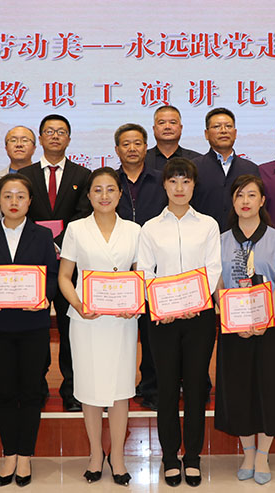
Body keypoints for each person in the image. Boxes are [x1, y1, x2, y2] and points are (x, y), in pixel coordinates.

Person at [137, 158, 221, 487]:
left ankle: (194, 456)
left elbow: (213, 267)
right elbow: (145, 271)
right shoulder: (150, 228)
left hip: (200, 317)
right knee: (168, 388)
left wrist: (195, 302)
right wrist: (164, 305)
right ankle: (170, 456)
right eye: (173, 181)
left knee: (197, 387)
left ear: (194, 186)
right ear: (164, 186)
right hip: (164, 318)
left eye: (186, 181)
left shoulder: (208, 225)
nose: (180, 188)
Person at [0, 173, 58, 487]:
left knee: (31, 391)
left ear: (30, 201)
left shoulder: (42, 236)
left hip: (33, 324)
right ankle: (9, 453)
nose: (13, 202)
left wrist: (44, 297)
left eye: (20, 196)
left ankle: (25, 455)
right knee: (5, 392)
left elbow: (52, 276)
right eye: (7, 196)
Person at [58, 167, 141, 486]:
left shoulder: (134, 230)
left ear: (120, 195)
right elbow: (65, 277)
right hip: (87, 320)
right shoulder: (76, 229)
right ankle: (95, 454)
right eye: (97, 190)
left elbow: (142, 275)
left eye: (111, 189)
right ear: (89, 195)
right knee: (90, 390)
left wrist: (135, 303)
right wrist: (79, 304)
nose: (104, 195)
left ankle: (117, 456)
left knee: (120, 390)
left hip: (122, 321)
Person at [214, 175, 275, 485]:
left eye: (251, 195)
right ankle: (247, 452)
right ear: (232, 202)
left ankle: (263, 455)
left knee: (270, 388)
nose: (245, 201)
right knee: (239, 389)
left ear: (262, 201)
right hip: (233, 326)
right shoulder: (221, 240)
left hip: (270, 326)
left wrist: (265, 319)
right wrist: (229, 316)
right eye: (240, 196)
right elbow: (217, 284)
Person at [18, 113, 92, 412]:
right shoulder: (26, 175)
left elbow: (83, 213)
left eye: (61, 131)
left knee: (69, 327)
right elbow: (19, 213)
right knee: (35, 326)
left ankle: (72, 389)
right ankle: (35, 385)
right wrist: (42, 242)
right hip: (33, 263)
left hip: (69, 263)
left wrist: (58, 242)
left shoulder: (82, 175)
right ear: (40, 138)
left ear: (69, 139)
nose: (55, 136)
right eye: (49, 131)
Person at [113, 123, 167, 411]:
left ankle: (152, 388)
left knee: (151, 333)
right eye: (126, 144)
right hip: (117, 266)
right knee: (118, 331)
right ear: (117, 149)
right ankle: (115, 387)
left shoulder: (161, 180)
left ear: (146, 147)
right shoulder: (110, 181)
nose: (132, 148)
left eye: (137, 143)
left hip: (155, 266)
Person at [191, 107, 261, 232]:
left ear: (235, 133)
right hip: (201, 236)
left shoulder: (251, 169)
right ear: (206, 134)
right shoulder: (193, 167)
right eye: (217, 126)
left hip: (241, 237)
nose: (223, 131)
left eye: (228, 126)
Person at [144, 105, 200, 172]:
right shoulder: (142, 158)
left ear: (181, 128)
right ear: (154, 129)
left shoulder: (196, 160)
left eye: (173, 122)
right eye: (162, 123)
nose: (167, 127)